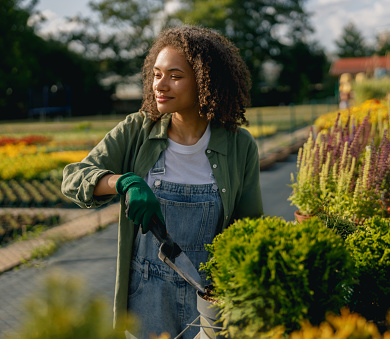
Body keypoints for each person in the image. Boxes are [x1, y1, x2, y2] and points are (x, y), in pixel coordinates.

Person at [61, 25, 263, 339]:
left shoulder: (239, 146)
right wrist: (124, 182)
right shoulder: (137, 130)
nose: (161, 85)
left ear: (204, 81)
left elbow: (250, 229)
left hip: (208, 301)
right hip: (145, 299)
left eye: (175, 76)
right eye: (156, 74)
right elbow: (74, 178)